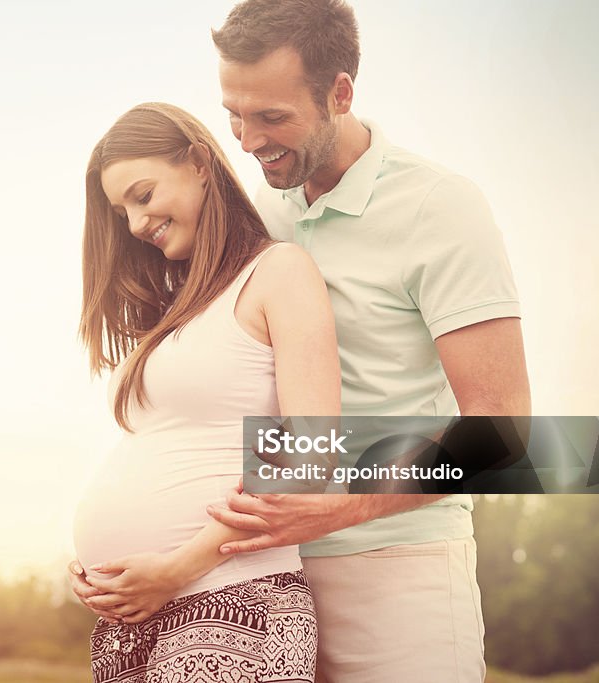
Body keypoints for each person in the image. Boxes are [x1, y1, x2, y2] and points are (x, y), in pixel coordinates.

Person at [203, 1, 532, 681]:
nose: (246, 139)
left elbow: (503, 431)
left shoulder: (438, 206)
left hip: (400, 572)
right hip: (266, 576)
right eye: (235, 112)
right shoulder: (258, 213)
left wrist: (341, 503)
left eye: (271, 117)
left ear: (340, 92)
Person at [73, 102, 339, 682]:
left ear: (197, 163)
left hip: (234, 603)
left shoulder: (279, 272)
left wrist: (175, 567)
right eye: (122, 212)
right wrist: (104, 568)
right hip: (138, 620)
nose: (136, 224)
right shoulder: (178, 310)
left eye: (142, 196)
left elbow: (311, 452)